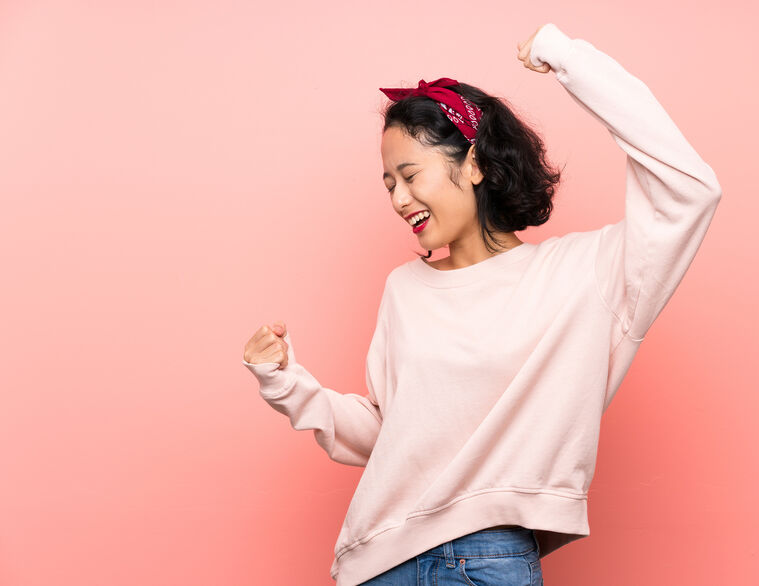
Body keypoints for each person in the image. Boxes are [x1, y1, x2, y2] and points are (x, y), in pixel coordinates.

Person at [242, 22, 721, 586]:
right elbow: (387, 434)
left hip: (488, 560)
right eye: (388, 183)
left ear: (473, 165)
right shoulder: (404, 290)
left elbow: (689, 190)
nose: (398, 199)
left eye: (410, 175)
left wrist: (570, 62)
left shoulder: (584, 276)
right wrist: (286, 383)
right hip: (377, 561)